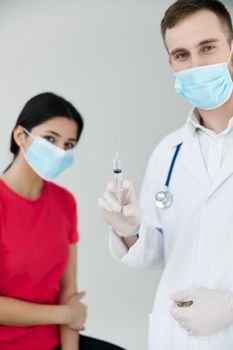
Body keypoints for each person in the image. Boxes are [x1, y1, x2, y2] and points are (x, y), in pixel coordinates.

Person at [98, 0, 233, 349]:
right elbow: (156, 254)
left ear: (231, 48)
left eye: (207, 47)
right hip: (177, 338)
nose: (196, 64)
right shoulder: (168, 152)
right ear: (171, 63)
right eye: (182, 55)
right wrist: (129, 229)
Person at [0, 92, 125, 350]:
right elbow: (70, 310)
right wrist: (63, 314)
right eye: (50, 139)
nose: (59, 151)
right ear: (20, 136)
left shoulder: (64, 202)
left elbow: (69, 293)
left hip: (53, 341)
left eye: (68, 145)